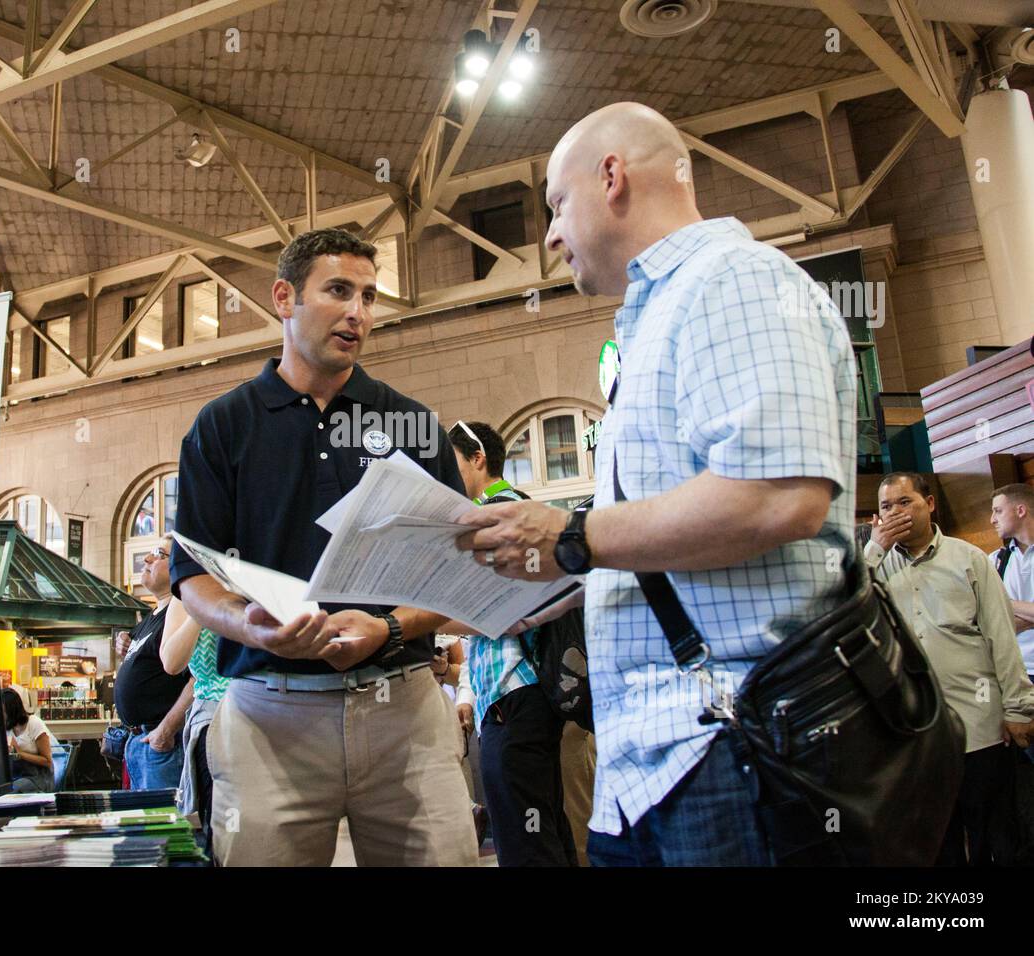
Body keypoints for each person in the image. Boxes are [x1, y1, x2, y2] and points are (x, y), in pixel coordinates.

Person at [456, 102, 858, 867]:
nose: (547, 234)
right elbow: (670, 539)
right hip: (659, 759)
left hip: (736, 749)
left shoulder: (731, 281)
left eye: (554, 203)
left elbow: (778, 496)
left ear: (612, 177)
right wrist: (542, 582)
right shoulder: (660, 319)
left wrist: (571, 537)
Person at [171, 226, 479, 867]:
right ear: (284, 297)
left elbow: (458, 571)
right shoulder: (224, 426)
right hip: (268, 718)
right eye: (338, 290)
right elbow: (191, 575)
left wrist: (389, 626)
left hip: (406, 713)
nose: (358, 312)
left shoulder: (413, 425)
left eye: (369, 296)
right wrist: (250, 628)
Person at [867, 472, 1034, 865]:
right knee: (936, 841)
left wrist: (1018, 708)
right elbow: (845, 608)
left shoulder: (970, 558)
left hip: (981, 725)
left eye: (904, 502)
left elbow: (1001, 637)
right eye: (886, 506)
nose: (895, 512)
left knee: (996, 835)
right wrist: (875, 549)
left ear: (930, 503)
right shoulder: (876, 568)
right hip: (916, 734)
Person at [445, 418, 576, 866]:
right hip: (519, 698)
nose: (448, 474)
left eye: (455, 462)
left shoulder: (499, 513)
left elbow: (495, 612)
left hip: (515, 694)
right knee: (542, 830)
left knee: (525, 843)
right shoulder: (512, 509)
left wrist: (412, 620)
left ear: (478, 459)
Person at [116, 544, 194, 791]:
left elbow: (197, 678)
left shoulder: (181, 612)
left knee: (164, 825)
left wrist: (166, 729)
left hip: (160, 744)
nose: (147, 558)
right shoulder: (151, 617)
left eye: (160, 554)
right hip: (139, 741)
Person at [160, 605, 227, 859]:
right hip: (214, 720)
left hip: (267, 714)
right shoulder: (186, 594)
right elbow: (171, 662)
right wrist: (200, 606)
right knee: (222, 827)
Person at [989, 483, 1034, 678]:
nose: (992, 520)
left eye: (998, 511)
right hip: (1016, 671)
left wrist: (1005, 603)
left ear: (1021, 510)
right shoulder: (995, 560)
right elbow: (990, 626)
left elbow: (1001, 616)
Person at [2, 687, 60, 793]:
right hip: (18, 775)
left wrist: (20, 753)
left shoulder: (34, 723)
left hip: (40, 778)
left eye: (3, 711)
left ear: (11, 709)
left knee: (10, 790)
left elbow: (47, 761)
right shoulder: (8, 729)